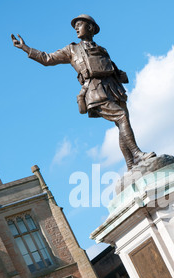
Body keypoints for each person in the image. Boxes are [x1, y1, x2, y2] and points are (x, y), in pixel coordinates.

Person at [11, 14, 155, 170]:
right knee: (121, 116)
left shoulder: (102, 49)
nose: (76, 29)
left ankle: (130, 165)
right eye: (75, 27)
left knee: (121, 123)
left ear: (91, 27)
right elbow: (47, 59)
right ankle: (137, 154)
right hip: (95, 90)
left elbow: (111, 68)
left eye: (79, 25)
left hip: (113, 89)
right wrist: (26, 48)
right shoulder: (72, 49)